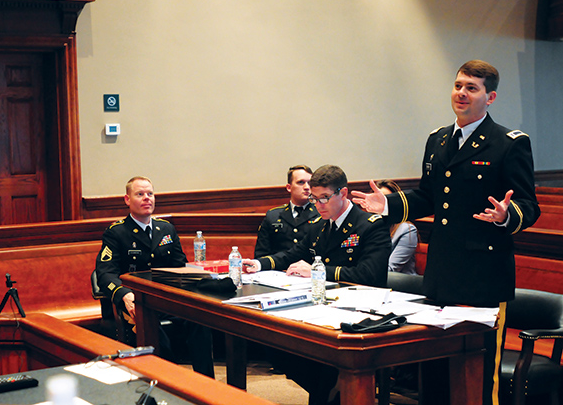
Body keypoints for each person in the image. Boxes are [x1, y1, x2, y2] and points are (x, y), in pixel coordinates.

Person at [351, 60, 540, 405]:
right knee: (435, 370)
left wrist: (504, 215)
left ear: (490, 96)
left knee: (479, 376)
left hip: (484, 276)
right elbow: (429, 196)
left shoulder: (509, 143)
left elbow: (529, 205)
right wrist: (388, 205)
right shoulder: (438, 139)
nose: (462, 93)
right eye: (458, 85)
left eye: (472, 87)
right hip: (441, 274)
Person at [244, 164, 392, 405]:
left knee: (320, 363)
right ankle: (331, 391)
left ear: (343, 194)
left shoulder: (370, 225)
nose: (318, 205)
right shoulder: (320, 226)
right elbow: (292, 253)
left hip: (358, 309)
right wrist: (258, 264)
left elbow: (369, 274)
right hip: (322, 306)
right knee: (275, 341)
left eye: (325, 198)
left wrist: (316, 271)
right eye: (315, 199)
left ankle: (330, 393)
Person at [94, 176, 215, 378]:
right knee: (152, 328)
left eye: (150, 194)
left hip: (165, 298)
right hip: (135, 301)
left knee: (199, 318)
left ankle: (207, 384)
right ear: (127, 199)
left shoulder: (166, 229)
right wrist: (124, 295)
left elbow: (180, 266)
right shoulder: (116, 232)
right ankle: (172, 382)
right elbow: (105, 273)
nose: (146, 198)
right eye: (140, 194)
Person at [254, 165, 324, 258]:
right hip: (278, 269)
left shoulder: (321, 214)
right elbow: (261, 254)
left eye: (310, 183)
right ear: (289, 187)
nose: (307, 187)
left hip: (308, 269)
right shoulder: (273, 216)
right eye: (301, 182)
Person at [375, 180, 419, 275]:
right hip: (373, 282)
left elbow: (391, 269)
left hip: (400, 285)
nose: (382, 205)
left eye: (386, 200)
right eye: (378, 200)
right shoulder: (372, 226)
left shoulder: (407, 230)